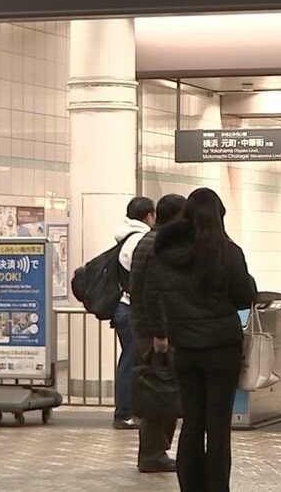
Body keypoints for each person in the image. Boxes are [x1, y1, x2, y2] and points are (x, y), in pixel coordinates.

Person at [147, 188, 256, 492]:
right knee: (218, 425)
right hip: (223, 348)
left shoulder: (167, 255)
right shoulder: (227, 252)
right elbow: (245, 296)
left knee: (192, 422)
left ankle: (190, 487)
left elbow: (155, 297)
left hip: (184, 349)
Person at [129, 193, 187, 474]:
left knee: (158, 388)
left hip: (145, 326)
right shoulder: (159, 245)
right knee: (159, 391)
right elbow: (154, 292)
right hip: (154, 332)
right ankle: (153, 453)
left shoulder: (147, 241)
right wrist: (160, 334)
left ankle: (155, 451)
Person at [113, 196, 156, 430]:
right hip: (131, 308)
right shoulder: (140, 240)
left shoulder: (126, 236)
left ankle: (130, 410)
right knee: (130, 360)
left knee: (132, 359)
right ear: (148, 216)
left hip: (123, 306)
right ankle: (124, 413)